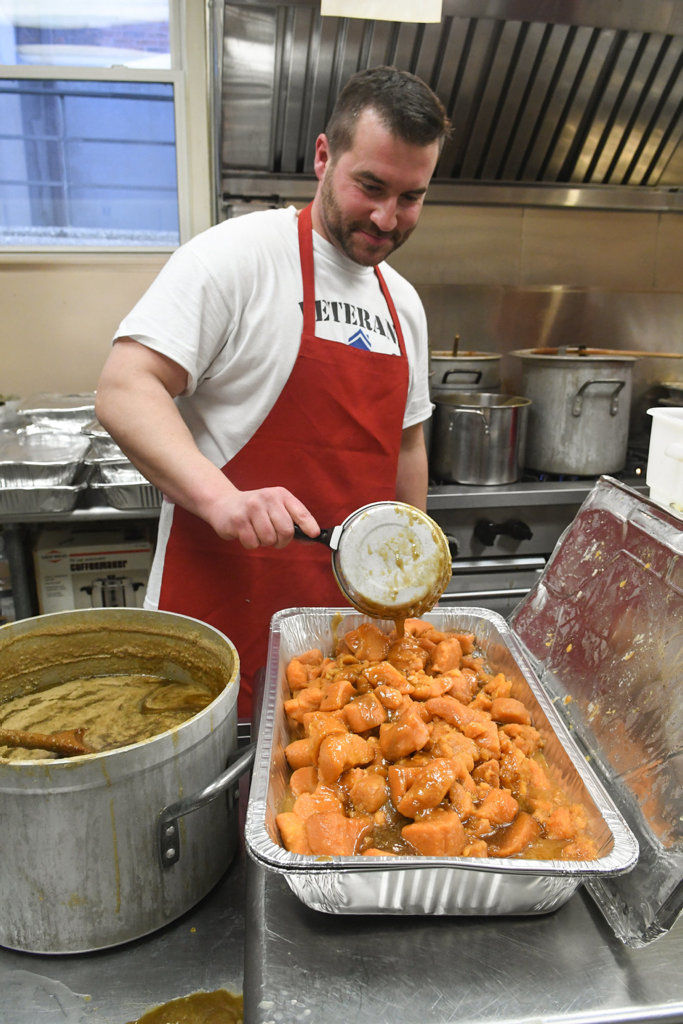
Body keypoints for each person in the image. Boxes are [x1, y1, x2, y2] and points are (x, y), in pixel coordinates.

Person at [95, 65, 451, 718]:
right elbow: (125, 387)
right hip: (221, 617)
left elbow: (405, 445)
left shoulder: (403, 303)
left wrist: (409, 577)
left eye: (410, 197)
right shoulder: (236, 258)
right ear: (323, 156)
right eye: (369, 186)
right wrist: (221, 500)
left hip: (348, 638)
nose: (385, 216)